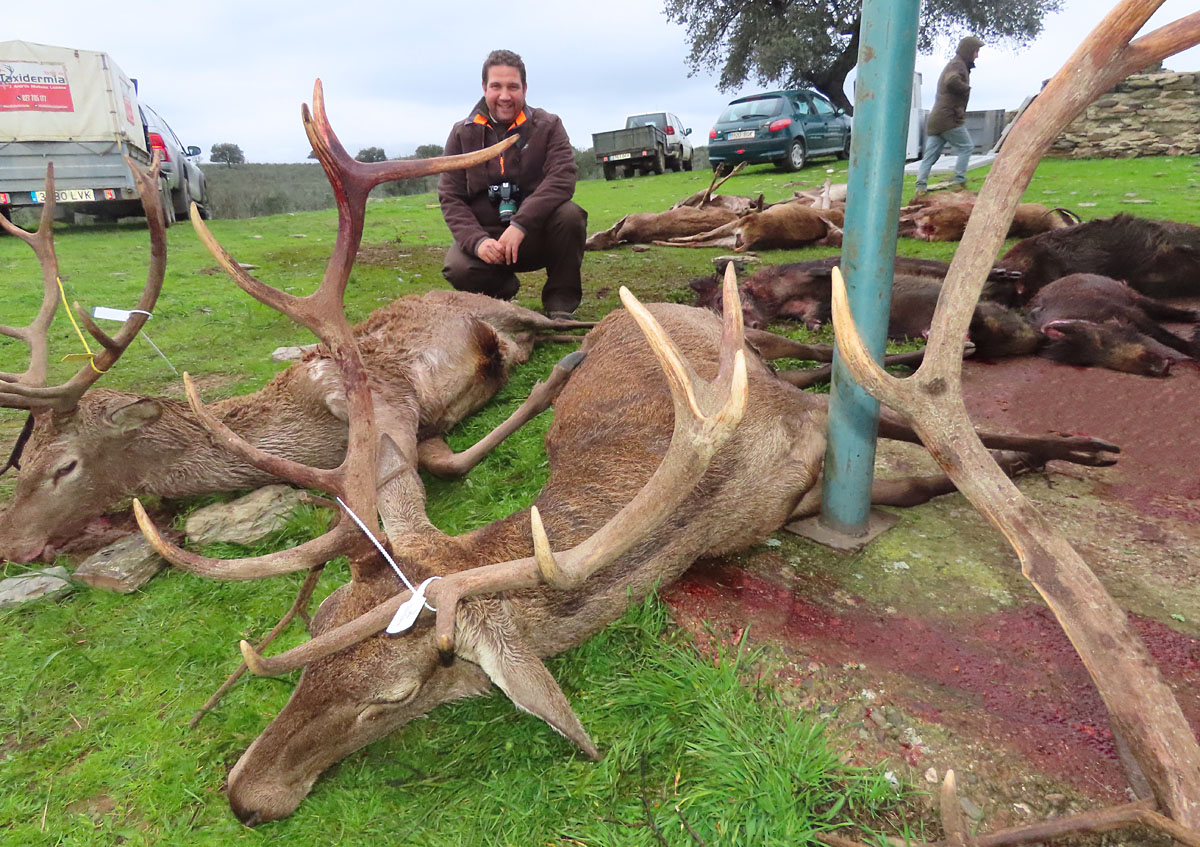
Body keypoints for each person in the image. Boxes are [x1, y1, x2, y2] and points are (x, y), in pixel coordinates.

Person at [438, 49, 587, 319]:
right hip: (489, 240)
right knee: (457, 268)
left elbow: (562, 178)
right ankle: (502, 288)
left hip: (534, 235)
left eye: (512, 87)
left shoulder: (549, 125)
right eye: (496, 86)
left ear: (525, 88)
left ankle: (560, 304)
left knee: (570, 216)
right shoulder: (461, 133)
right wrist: (478, 241)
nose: (504, 96)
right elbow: (451, 197)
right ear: (484, 88)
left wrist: (521, 224)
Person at [914, 36, 984, 196]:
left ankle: (920, 188)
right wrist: (966, 88)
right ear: (968, 51)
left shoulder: (956, 64)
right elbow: (951, 81)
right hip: (949, 119)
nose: (977, 55)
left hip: (936, 119)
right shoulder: (957, 65)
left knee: (930, 156)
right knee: (966, 147)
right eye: (976, 51)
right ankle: (959, 183)